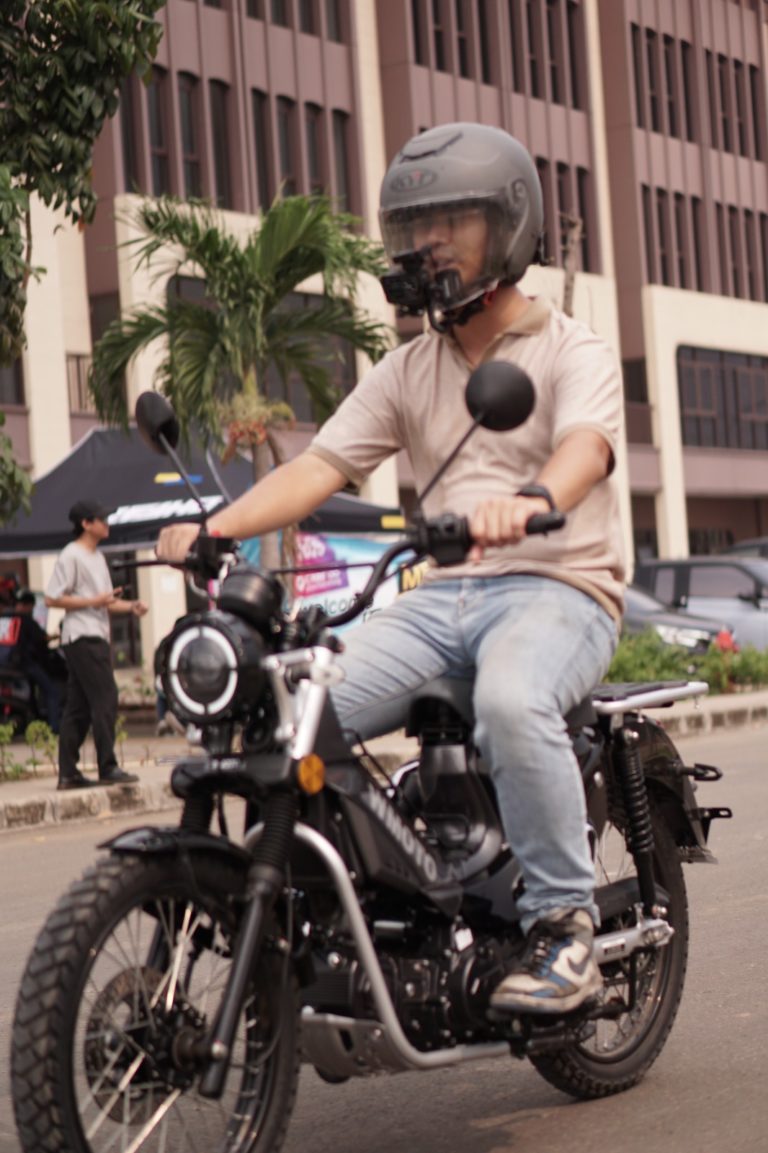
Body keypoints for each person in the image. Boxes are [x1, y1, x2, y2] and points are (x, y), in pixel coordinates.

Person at [157, 123, 626, 1015]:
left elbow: (587, 448)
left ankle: (563, 927)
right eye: (415, 228)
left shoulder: (573, 347)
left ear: (507, 229)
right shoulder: (410, 367)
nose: (427, 246)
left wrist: (531, 498)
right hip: (440, 597)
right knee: (293, 710)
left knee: (510, 701)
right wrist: (214, 526)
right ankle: (328, 914)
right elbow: (317, 467)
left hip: (559, 588)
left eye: (451, 224)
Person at [45, 500, 148, 789]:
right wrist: (95, 601)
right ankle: (108, 766)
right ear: (86, 524)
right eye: (101, 519)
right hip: (82, 636)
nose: (107, 524)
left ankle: (68, 774)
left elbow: (105, 601)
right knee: (106, 697)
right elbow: (52, 598)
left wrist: (131, 606)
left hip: (96, 635)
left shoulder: (97, 557)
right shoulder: (72, 555)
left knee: (79, 706)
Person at [9, 589, 66, 733]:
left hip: (13, 665)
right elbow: (41, 638)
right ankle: (54, 727)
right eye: (32, 607)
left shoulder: (9, 619)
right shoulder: (25, 620)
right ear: (28, 605)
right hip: (28, 664)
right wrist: (56, 637)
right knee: (52, 692)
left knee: (33, 697)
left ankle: (36, 723)